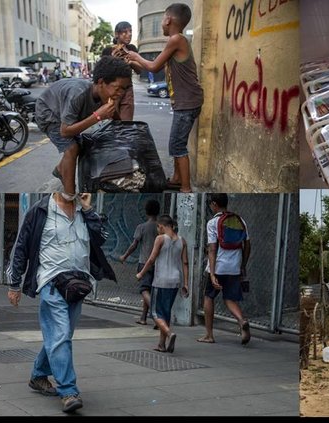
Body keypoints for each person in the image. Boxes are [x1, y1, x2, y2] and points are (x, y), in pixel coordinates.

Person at [6, 192, 116, 413]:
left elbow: (102, 238)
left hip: (79, 283)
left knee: (61, 336)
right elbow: (21, 247)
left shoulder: (83, 211)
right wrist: (14, 284)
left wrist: (88, 210)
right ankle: (68, 391)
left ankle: (38, 375)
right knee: (60, 335)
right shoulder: (39, 210)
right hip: (51, 281)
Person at [124, 3, 204, 193]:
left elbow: (151, 67)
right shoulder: (177, 41)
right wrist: (132, 59)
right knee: (175, 143)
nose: (161, 23)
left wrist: (135, 54)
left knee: (177, 146)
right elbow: (153, 66)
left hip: (187, 103)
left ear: (168, 20)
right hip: (186, 102)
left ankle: (186, 188)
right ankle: (176, 179)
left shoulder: (176, 40)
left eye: (162, 19)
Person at [35, 55, 132, 199]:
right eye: (117, 89)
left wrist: (125, 132)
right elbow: (65, 131)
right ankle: (70, 195)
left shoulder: (104, 95)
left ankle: (62, 169)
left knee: (82, 144)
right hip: (48, 112)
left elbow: (116, 117)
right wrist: (97, 116)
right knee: (71, 148)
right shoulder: (78, 93)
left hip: (66, 115)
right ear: (101, 83)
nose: (121, 94)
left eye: (124, 89)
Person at [197, 193, 251, 345]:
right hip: (234, 267)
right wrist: (242, 265)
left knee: (209, 297)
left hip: (219, 266)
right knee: (230, 298)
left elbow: (212, 249)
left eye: (210, 204)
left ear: (214, 204)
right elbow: (247, 245)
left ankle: (209, 335)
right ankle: (242, 321)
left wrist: (213, 273)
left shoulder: (212, 222)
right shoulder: (240, 220)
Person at [136, 214, 189, 353]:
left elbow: (151, 259)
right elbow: (185, 263)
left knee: (155, 313)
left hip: (161, 281)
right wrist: (186, 283)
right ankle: (161, 344)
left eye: (158, 227)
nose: (158, 230)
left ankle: (169, 333)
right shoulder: (182, 241)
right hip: (175, 281)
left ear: (161, 226)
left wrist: (141, 273)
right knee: (165, 313)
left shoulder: (160, 239)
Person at [120, 199, 161, 326]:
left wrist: (125, 256)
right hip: (158, 264)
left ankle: (157, 316)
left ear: (146, 212)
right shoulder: (160, 227)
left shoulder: (142, 227)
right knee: (150, 291)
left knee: (144, 290)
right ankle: (143, 317)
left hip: (144, 263)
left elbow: (134, 245)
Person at [101, 21, 143, 120]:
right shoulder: (108, 51)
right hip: (111, 89)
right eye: (125, 32)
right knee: (111, 120)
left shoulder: (132, 49)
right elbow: (102, 72)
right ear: (116, 34)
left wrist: (130, 62)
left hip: (127, 88)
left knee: (126, 122)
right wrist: (112, 59)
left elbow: (139, 70)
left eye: (130, 31)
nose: (129, 34)